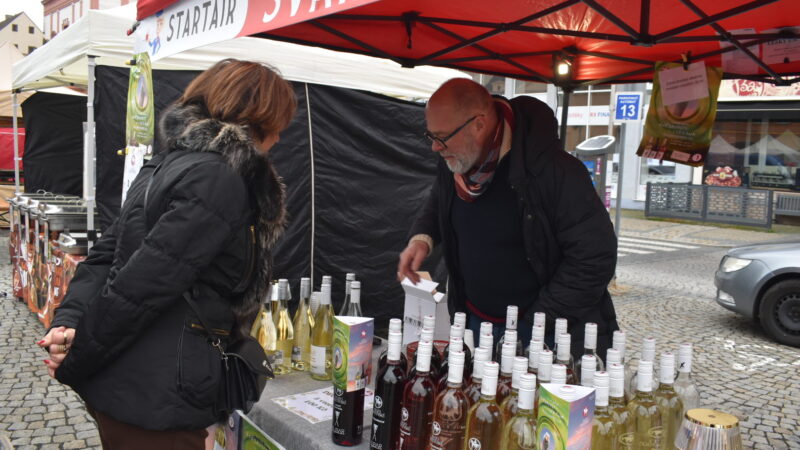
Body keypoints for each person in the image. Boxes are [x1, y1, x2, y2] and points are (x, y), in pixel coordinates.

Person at [37, 59, 297, 448]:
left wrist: (69, 322)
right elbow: (140, 287)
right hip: (156, 394)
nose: (279, 138)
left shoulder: (167, 163)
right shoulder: (217, 177)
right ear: (259, 118)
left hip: (136, 385)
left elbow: (107, 256)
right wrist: (76, 356)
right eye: (278, 125)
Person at [397, 78, 618, 360]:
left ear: (478, 124)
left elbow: (594, 258)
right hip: (476, 322)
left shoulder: (556, 172)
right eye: (431, 136)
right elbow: (440, 197)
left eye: (441, 137)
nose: (435, 148)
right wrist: (422, 238)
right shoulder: (457, 160)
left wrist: (535, 324)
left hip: (547, 332)